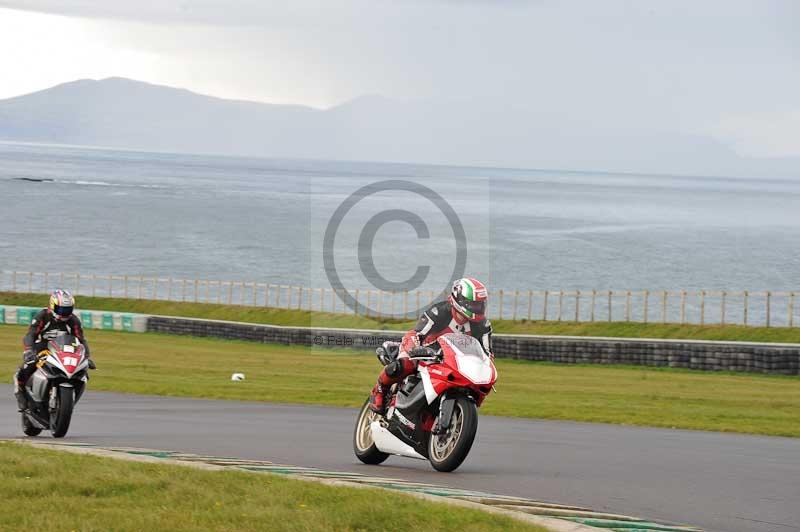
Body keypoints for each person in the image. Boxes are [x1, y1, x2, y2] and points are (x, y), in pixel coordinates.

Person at [368, 277, 493, 414]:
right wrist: (415, 350)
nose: (479, 308)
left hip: (450, 359)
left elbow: (486, 354)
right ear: (461, 301)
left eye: (481, 304)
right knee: (406, 363)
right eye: (474, 304)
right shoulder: (440, 312)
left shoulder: (483, 325)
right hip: (424, 347)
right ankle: (379, 390)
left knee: (478, 382)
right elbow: (417, 334)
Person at [13, 289, 95, 411]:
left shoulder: (73, 321)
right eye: (61, 309)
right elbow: (30, 334)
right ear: (52, 305)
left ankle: (69, 401)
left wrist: (86, 357)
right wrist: (29, 351)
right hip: (43, 348)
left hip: (64, 349)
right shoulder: (42, 316)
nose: (64, 313)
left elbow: (81, 340)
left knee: (83, 373)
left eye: (67, 310)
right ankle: (20, 391)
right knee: (28, 366)